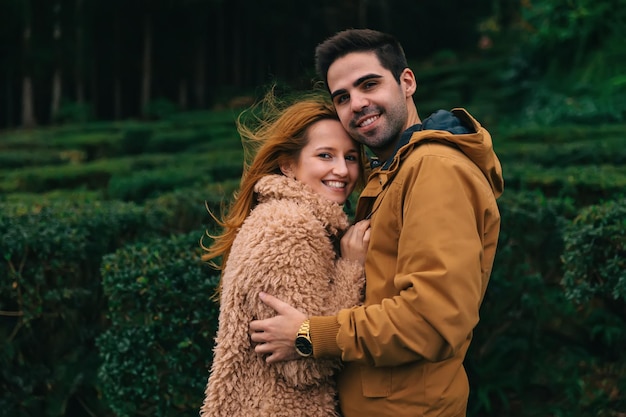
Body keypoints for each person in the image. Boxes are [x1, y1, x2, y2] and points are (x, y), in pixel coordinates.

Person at [249, 29, 504, 417]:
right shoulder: (395, 170)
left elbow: (431, 321)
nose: (357, 104)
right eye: (343, 97)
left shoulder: (434, 169)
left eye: (369, 84)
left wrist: (308, 335)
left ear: (407, 82)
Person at [199, 89, 372, 417]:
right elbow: (303, 366)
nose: (342, 170)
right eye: (325, 155)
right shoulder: (290, 228)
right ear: (288, 165)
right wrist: (351, 267)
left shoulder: (293, 218)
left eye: (350, 157)